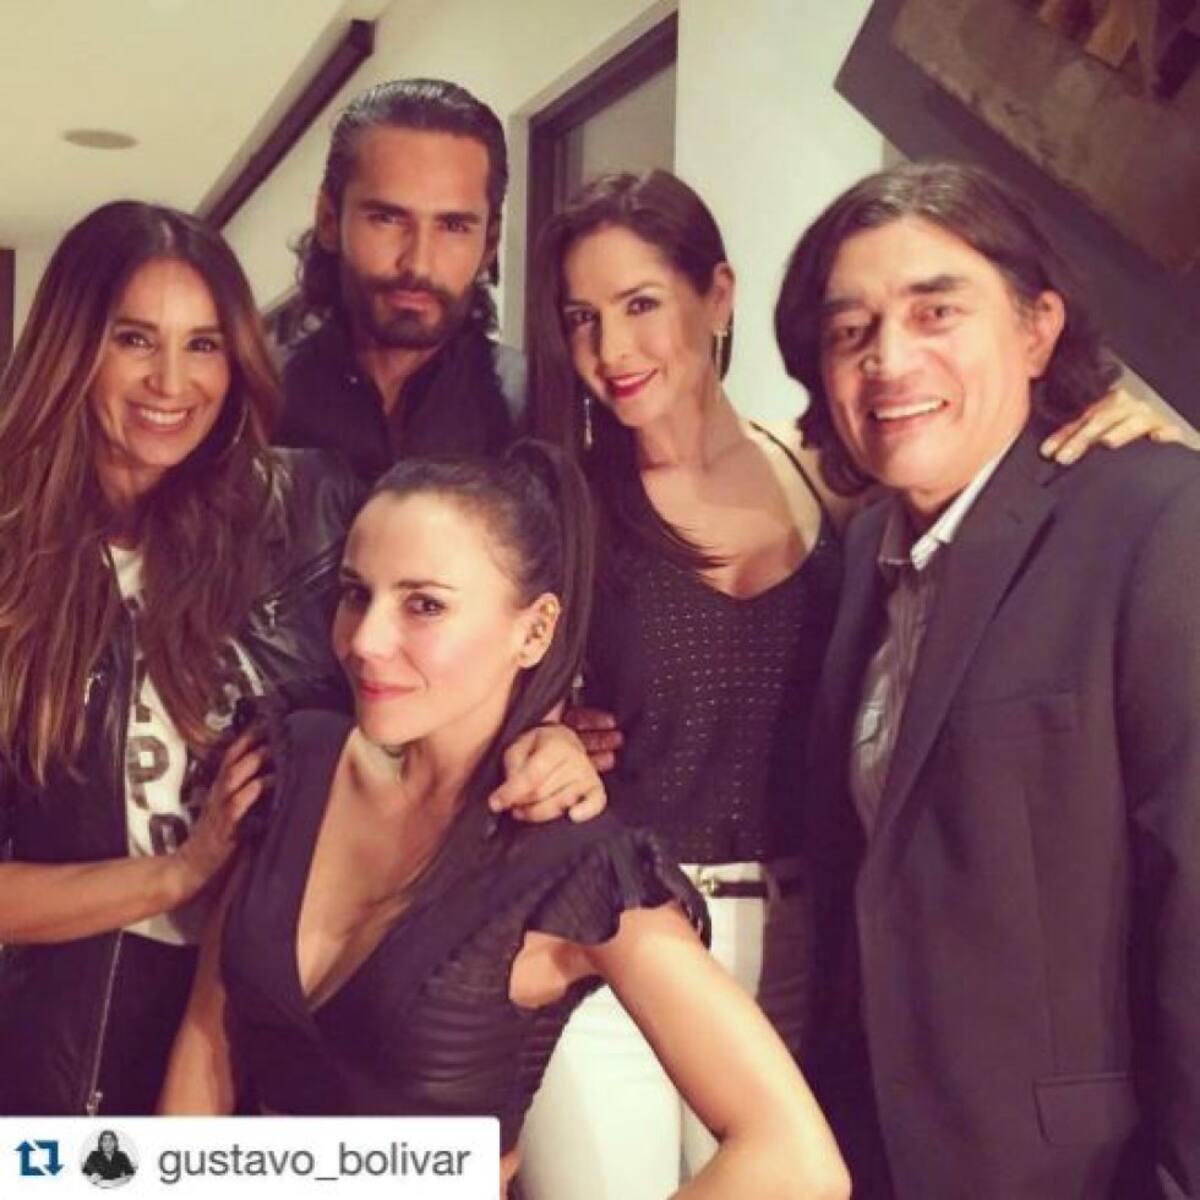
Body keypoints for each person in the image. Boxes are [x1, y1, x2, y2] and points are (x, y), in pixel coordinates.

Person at [516, 167, 1180, 1200]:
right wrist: (537, 737)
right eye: (581, 318)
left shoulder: (839, 495)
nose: (612, 347)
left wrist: (1152, 428)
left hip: (808, 954)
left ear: (717, 295)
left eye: (640, 303)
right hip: (634, 943)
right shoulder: (566, 500)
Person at [0, 202, 602, 1117]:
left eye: (204, 344)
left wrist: (540, 732)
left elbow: (458, 623)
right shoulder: (15, 568)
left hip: (290, 1030)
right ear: (72, 346)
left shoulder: (311, 508)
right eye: (134, 339)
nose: (172, 381)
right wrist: (175, 875)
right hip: (72, 1054)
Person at [160, 441, 852, 1200]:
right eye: (356, 594)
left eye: (424, 605)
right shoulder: (295, 760)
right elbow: (205, 1040)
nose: (364, 640)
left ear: (535, 630)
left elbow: (797, 1160)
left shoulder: (572, 863)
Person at [774, 160, 1200, 1199]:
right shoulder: (866, 547)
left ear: (1037, 329)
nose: (889, 360)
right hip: (877, 1150)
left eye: (937, 311)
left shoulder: (1153, 518)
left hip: (1078, 1171)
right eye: (851, 330)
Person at [277, 78, 526, 478]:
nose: (418, 264)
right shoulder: (256, 401)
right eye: (387, 219)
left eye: (453, 226)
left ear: (489, 243)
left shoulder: (532, 409)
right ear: (329, 219)